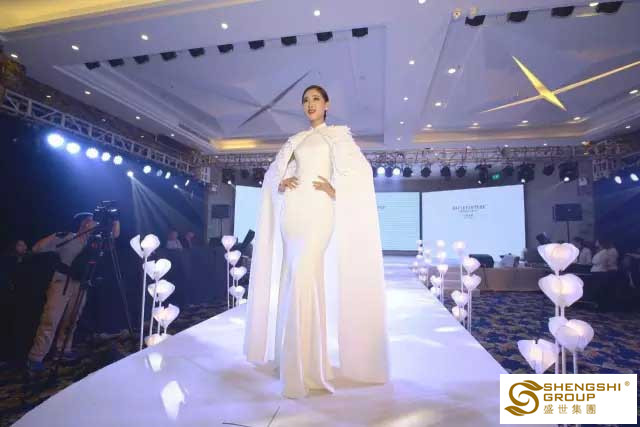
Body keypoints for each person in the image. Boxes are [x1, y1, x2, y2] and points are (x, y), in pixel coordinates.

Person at [243, 85, 389, 398]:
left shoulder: (337, 136)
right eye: (306, 100)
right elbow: (272, 174)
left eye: (316, 99)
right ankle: (298, 363)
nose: (310, 104)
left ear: (327, 104)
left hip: (320, 214)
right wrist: (280, 182)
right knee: (295, 280)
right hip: (293, 215)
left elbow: (361, 173)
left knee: (304, 277)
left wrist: (338, 190)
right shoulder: (295, 140)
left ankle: (305, 368)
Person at [26, 212, 120, 371]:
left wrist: (116, 219)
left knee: (71, 319)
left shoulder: (95, 242)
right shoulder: (67, 237)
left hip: (80, 284)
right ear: (84, 223)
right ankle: (36, 357)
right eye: (92, 221)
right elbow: (38, 248)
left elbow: (114, 236)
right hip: (62, 281)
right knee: (51, 319)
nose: (96, 223)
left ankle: (63, 350)